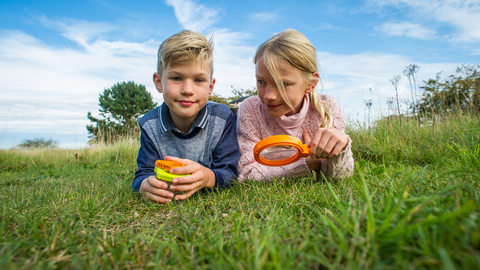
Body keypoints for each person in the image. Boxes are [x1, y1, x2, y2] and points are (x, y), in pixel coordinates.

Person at [133, 30, 240, 203]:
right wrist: (144, 185)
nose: (188, 90)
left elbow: (230, 172)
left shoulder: (222, 118)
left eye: (199, 80)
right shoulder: (149, 125)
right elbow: (144, 172)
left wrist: (208, 177)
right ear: (159, 82)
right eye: (176, 78)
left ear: (210, 86)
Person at [237, 29, 354, 181]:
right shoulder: (250, 109)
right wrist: (307, 163)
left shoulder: (327, 107)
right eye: (261, 81)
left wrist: (341, 146)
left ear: (311, 83)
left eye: (284, 84)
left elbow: (338, 177)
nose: (268, 96)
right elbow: (246, 174)